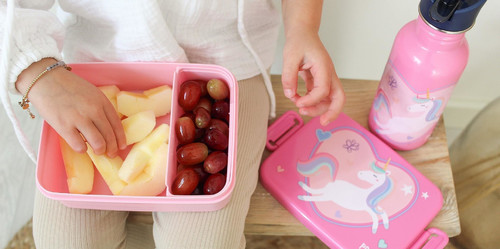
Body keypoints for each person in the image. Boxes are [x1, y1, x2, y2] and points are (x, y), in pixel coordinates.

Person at [1, 0, 345, 248]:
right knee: (65, 241)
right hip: (92, 65)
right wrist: (36, 72)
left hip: (228, 62)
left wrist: (303, 27)